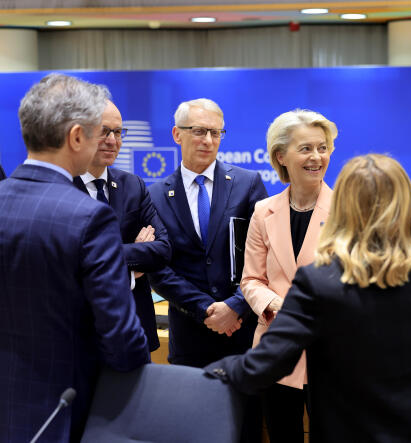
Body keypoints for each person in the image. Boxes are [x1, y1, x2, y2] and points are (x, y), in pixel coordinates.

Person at [206, 153, 411, 443]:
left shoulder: (318, 283)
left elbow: (265, 365)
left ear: (343, 208)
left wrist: (212, 374)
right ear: (405, 203)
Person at [0, 74, 149, 442]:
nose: (105, 140)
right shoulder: (88, 217)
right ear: (77, 136)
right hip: (66, 410)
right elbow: (122, 336)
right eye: (100, 132)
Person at [148, 98, 267, 442]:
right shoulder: (154, 195)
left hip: (243, 335)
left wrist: (235, 306)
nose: (208, 140)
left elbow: (262, 257)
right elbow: (159, 267)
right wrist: (207, 310)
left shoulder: (247, 184)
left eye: (216, 132)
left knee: (245, 429)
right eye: (198, 131)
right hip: (190, 337)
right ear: (177, 134)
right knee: (192, 430)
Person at [234, 109, 337, 442]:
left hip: (333, 349)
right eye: (305, 148)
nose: (317, 157)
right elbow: (250, 280)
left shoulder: (347, 209)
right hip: (276, 347)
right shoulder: (263, 211)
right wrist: (281, 307)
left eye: (322, 147)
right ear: (281, 156)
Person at [74, 99, 171, 353]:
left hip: (135, 331)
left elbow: (162, 250)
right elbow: (72, 260)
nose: (112, 140)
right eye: (104, 131)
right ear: (80, 133)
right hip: (80, 334)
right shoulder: (60, 187)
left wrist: (102, 256)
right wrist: (130, 265)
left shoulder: (133, 185)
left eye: (118, 132)